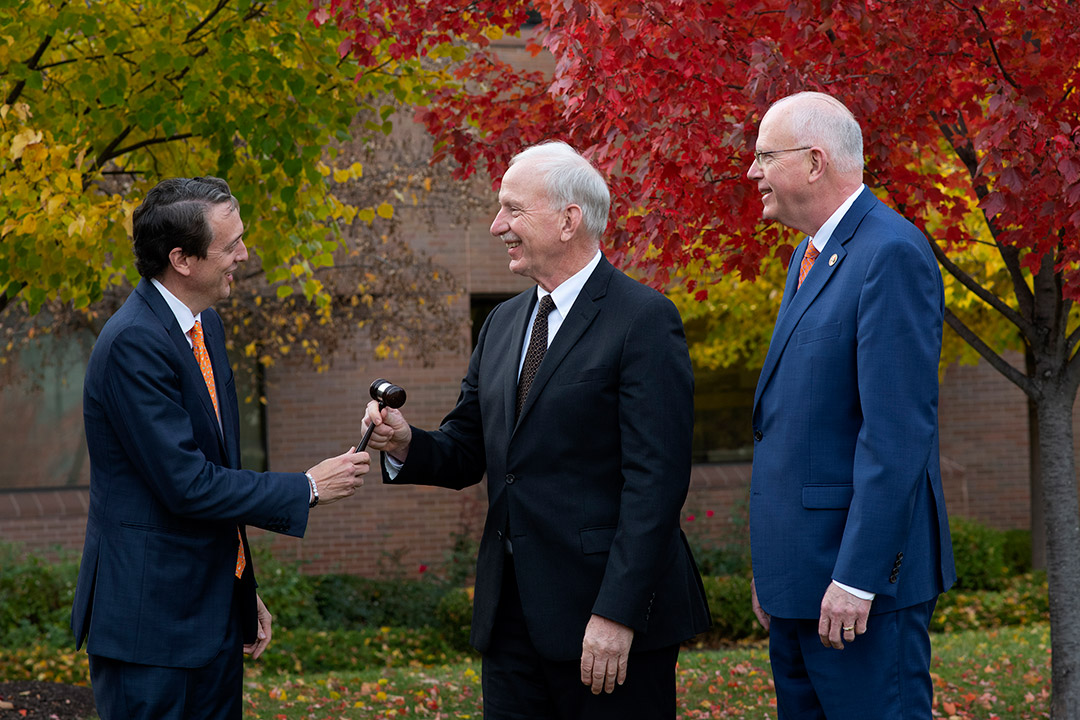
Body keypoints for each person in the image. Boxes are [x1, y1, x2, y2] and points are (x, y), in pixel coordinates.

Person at [362, 141, 710, 719]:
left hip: (608, 622)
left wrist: (617, 612)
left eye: (513, 210)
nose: (498, 225)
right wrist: (404, 442)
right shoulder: (502, 323)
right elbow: (467, 449)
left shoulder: (643, 319)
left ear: (569, 220)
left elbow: (656, 483)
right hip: (511, 622)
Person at [71, 176, 370, 720]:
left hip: (207, 615)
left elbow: (217, 473)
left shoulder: (206, 325)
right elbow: (187, 485)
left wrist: (237, 586)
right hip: (151, 630)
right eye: (230, 245)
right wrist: (307, 488)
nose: (244, 254)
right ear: (181, 259)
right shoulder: (133, 343)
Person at [746, 91, 956, 719]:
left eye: (764, 157)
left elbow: (895, 435)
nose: (751, 172)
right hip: (802, 585)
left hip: (858, 594)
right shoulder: (807, 257)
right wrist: (776, 568)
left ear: (814, 162)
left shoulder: (890, 252)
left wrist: (859, 576)